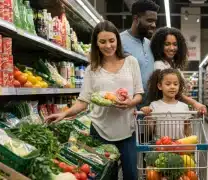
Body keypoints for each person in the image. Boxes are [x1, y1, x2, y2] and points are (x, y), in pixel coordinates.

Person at [45, 20, 143, 180]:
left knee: (131, 175)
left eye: (111, 40)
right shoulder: (92, 69)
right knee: (104, 176)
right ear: (96, 44)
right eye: (102, 41)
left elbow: (139, 94)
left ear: (117, 40)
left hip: (127, 131)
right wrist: (64, 114)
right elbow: (83, 101)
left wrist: (129, 103)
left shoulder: (131, 62)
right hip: (100, 131)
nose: (108, 45)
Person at [150, 27, 207, 114]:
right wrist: (194, 103)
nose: (172, 48)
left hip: (174, 108)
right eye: (167, 44)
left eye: (175, 44)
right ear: (159, 46)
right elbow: (174, 93)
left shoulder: (172, 65)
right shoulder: (159, 65)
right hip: (166, 111)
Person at [120, 0, 159, 108]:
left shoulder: (150, 44)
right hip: (127, 108)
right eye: (149, 20)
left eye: (155, 21)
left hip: (147, 110)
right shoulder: (119, 42)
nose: (154, 25)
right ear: (136, 19)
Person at [141, 69, 191, 139]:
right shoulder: (154, 106)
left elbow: (187, 129)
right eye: (168, 84)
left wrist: (191, 144)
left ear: (179, 86)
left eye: (175, 84)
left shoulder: (184, 107)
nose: (172, 87)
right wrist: (148, 117)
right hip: (160, 146)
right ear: (160, 86)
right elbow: (150, 131)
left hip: (180, 146)